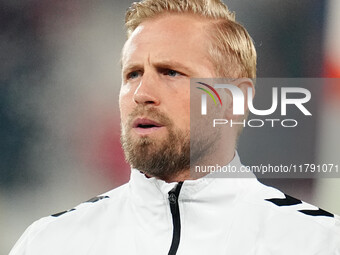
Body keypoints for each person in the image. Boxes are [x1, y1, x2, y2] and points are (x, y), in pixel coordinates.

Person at [10, 0, 340, 254]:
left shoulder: (316, 242)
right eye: (132, 74)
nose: (142, 94)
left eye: (171, 73)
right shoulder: (51, 243)